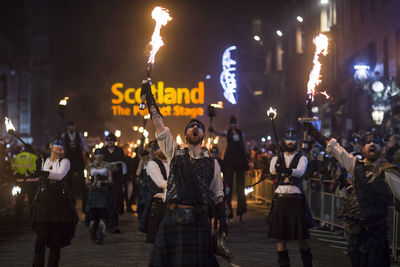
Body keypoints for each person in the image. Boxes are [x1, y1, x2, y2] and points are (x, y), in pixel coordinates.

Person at [142, 79, 228, 266]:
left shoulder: (212, 163)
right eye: (191, 126)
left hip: (199, 220)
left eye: (199, 127)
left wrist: (223, 223)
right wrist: (150, 99)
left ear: (203, 135)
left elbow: (218, 195)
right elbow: (158, 124)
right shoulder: (174, 154)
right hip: (173, 217)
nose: (195, 127)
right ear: (186, 133)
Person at [306, 124, 400, 267]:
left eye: (376, 143)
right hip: (356, 231)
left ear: (382, 148)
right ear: (363, 148)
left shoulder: (387, 171)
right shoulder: (355, 165)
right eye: (368, 142)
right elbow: (337, 150)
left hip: (376, 232)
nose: (372, 144)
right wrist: (316, 133)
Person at [268, 129, 313, 267]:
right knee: (281, 239)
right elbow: (272, 170)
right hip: (280, 200)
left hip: (296, 201)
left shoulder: (302, 157)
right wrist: (279, 168)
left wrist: (285, 170)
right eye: (288, 140)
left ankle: (307, 264)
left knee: (302, 238)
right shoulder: (276, 158)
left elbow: (299, 172)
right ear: (284, 141)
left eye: (293, 139)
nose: (291, 142)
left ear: (296, 142)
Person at [31, 137, 78, 267]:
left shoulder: (65, 162)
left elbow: (59, 176)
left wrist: (43, 173)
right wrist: (37, 170)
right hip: (44, 204)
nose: (59, 147)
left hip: (60, 205)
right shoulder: (44, 161)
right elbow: (39, 177)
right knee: (41, 238)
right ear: (51, 146)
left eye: (62, 146)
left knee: (56, 240)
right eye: (57, 145)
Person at [209, 116, 247, 220]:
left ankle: (241, 211)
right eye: (232, 124)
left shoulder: (240, 133)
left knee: (241, 187)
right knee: (228, 186)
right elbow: (221, 134)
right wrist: (213, 130)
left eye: (234, 124)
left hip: (239, 160)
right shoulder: (228, 132)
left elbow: (243, 145)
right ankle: (228, 210)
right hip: (230, 160)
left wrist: (245, 158)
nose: (233, 126)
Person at [85, 149, 112, 244]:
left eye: (101, 154)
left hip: (103, 192)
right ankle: (93, 234)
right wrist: (92, 185)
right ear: (94, 155)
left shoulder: (107, 165)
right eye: (97, 154)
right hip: (93, 193)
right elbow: (87, 181)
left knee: (102, 215)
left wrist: (103, 183)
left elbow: (110, 179)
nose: (99, 156)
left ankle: (100, 236)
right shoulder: (89, 166)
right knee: (93, 215)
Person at [101, 133, 126, 233]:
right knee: (107, 202)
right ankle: (107, 224)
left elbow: (123, 164)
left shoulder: (119, 150)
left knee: (115, 201)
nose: (110, 142)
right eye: (109, 140)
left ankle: (114, 225)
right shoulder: (103, 151)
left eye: (112, 140)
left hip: (117, 180)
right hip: (105, 180)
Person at [144, 142, 169, 244]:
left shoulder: (173, 163)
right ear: (156, 151)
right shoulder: (152, 164)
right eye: (160, 148)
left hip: (171, 200)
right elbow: (160, 182)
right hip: (157, 202)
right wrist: (177, 186)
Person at [61, 121, 89, 198]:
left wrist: (86, 152)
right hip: (69, 157)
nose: (71, 128)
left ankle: (83, 193)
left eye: (72, 126)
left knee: (81, 175)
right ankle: (68, 192)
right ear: (67, 127)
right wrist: (62, 153)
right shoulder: (64, 135)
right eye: (70, 126)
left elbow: (83, 143)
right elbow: (62, 145)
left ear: (74, 127)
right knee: (68, 176)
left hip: (78, 157)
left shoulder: (79, 134)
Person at [12, 144, 38, 219]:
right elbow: (37, 169)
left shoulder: (16, 157)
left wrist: (19, 174)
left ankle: (17, 216)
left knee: (19, 199)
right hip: (31, 182)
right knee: (32, 200)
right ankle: (33, 217)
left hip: (19, 182)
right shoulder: (33, 157)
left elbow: (13, 168)